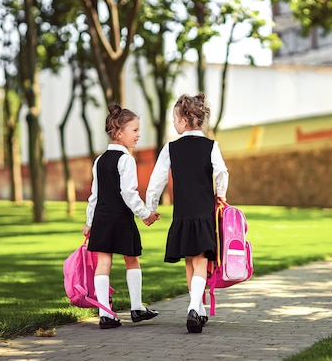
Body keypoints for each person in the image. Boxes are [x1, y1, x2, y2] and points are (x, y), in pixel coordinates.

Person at [146, 93, 229, 333]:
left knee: (190, 263)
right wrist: (221, 194)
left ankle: (196, 308)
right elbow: (222, 172)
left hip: (182, 214)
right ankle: (195, 308)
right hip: (203, 213)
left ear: (184, 121)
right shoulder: (211, 146)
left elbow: (156, 181)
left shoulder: (170, 148)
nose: (173, 122)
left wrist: (151, 206)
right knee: (201, 260)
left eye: (174, 118)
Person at [83, 104, 160, 329]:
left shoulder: (99, 160)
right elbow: (128, 193)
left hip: (102, 219)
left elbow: (94, 196)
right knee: (132, 259)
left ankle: (105, 314)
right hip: (121, 218)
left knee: (104, 261)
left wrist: (89, 222)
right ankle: (136, 308)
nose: (139, 135)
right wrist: (145, 214)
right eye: (134, 130)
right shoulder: (126, 160)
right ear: (119, 133)